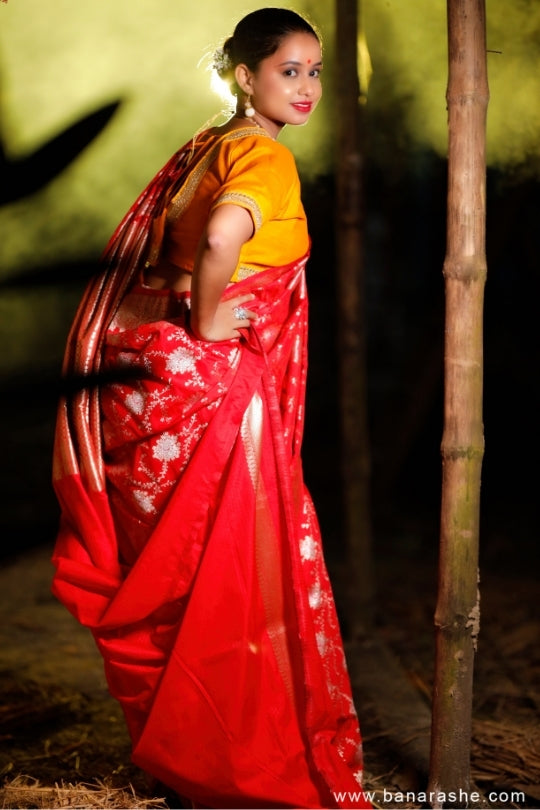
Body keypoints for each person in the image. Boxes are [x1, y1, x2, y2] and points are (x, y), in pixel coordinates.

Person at [51, 8, 371, 808]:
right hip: (210, 386)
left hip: (155, 381)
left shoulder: (207, 146)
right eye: (289, 71)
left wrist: (190, 317)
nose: (307, 87)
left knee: (178, 571)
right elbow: (224, 240)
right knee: (225, 581)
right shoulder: (262, 159)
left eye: (316, 70)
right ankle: (222, 760)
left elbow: (167, 258)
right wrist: (212, 323)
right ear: (244, 75)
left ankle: (182, 753)